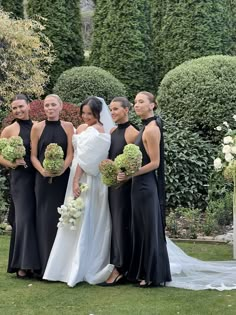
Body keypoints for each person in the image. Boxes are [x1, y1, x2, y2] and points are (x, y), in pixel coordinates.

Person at [43, 96, 115, 286]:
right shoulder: (83, 128)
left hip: (88, 179)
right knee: (72, 218)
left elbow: (87, 160)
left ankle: (82, 265)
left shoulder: (99, 131)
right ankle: (64, 265)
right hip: (76, 173)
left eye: (90, 114)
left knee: (85, 216)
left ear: (98, 114)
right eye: (83, 113)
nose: (85, 117)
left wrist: (75, 181)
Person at [118, 91, 172, 287]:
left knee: (148, 229)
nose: (136, 105)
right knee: (140, 229)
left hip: (146, 187)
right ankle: (143, 272)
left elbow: (155, 163)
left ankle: (151, 275)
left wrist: (132, 174)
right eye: (135, 102)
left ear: (152, 105)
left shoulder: (151, 129)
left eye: (141, 102)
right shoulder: (144, 128)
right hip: (138, 186)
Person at [30, 94, 74, 277]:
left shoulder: (69, 127)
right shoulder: (37, 128)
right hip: (43, 180)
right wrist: (42, 171)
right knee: (44, 219)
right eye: (47, 105)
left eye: (53, 105)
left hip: (63, 180)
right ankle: (43, 266)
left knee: (61, 220)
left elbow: (71, 153)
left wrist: (62, 170)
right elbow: (33, 155)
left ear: (60, 107)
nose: (49, 108)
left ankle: (61, 266)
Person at [0, 94, 40, 278]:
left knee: (37, 218)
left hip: (39, 177)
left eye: (21, 106)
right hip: (21, 179)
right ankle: (22, 265)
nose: (18, 110)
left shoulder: (38, 126)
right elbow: (0, 155)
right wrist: (12, 164)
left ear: (29, 106)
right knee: (23, 219)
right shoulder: (9, 130)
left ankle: (37, 263)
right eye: (14, 108)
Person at [100, 97, 139, 286]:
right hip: (112, 187)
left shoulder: (133, 133)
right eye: (111, 109)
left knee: (122, 225)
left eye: (116, 109)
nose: (112, 112)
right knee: (115, 225)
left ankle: (121, 268)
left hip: (125, 190)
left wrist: (128, 176)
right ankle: (120, 266)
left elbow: (141, 163)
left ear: (126, 110)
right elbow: (112, 156)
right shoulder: (114, 131)